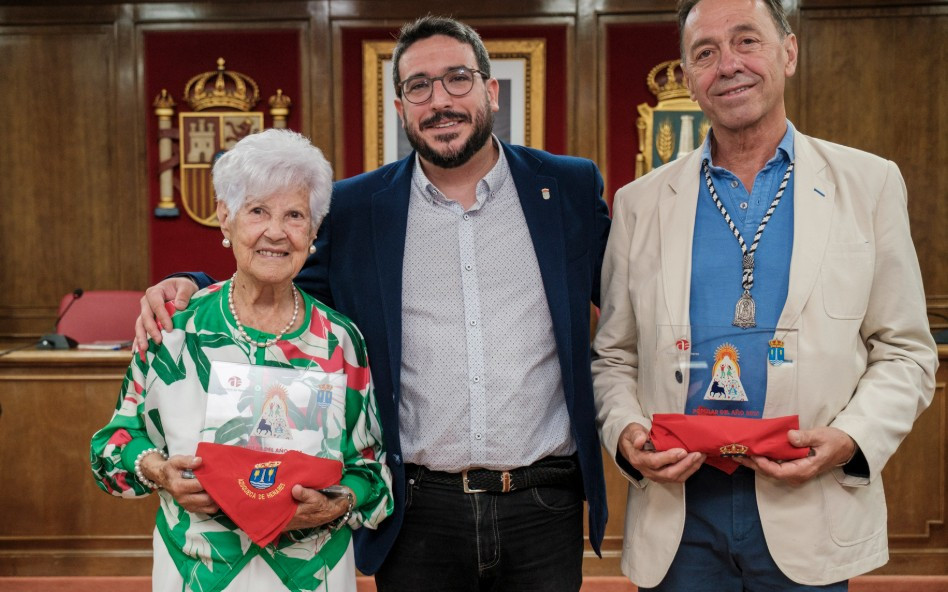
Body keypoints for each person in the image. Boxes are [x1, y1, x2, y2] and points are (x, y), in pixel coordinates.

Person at [135, 15, 610, 591]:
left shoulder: (567, 188)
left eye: (457, 79)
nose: (440, 100)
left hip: (543, 501)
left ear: (490, 90)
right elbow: (280, 277)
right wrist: (189, 282)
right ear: (400, 106)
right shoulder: (357, 208)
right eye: (419, 86)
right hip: (415, 510)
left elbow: (627, 295)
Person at [591, 0, 938, 589]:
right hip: (681, 517)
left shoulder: (869, 184)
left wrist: (850, 438)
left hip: (810, 508)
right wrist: (626, 433)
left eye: (746, 41)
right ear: (689, 76)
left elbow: (905, 350)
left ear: (789, 52)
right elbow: (614, 356)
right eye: (705, 52)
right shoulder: (639, 205)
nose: (727, 64)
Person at [92, 129, 393, 592]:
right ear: (225, 219)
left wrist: (339, 501)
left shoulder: (340, 340)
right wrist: (159, 471)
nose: (276, 231)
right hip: (197, 570)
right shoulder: (174, 329)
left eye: (295, 215)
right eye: (258, 211)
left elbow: (372, 470)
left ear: (313, 233)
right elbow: (112, 445)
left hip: (310, 575)